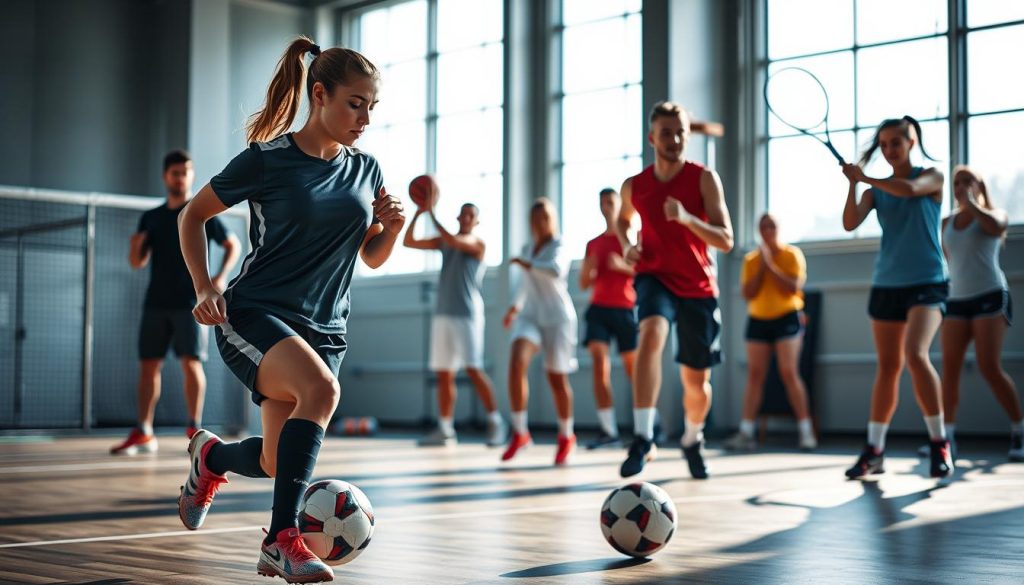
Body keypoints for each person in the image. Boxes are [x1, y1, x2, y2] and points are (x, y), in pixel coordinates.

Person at [176, 37, 405, 583]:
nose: (365, 118)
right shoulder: (266, 160)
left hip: (325, 331)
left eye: (372, 106)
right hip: (253, 316)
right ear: (319, 94)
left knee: (279, 463)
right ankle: (282, 541)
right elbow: (192, 215)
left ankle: (211, 460)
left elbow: (367, 258)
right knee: (322, 393)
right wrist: (206, 286)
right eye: (355, 103)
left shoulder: (367, 170)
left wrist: (392, 232)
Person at [616, 101, 734, 480]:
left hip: (697, 286)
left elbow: (727, 239)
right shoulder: (635, 186)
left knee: (696, 383)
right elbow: (623, 221)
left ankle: (692, 439)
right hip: (654, 276)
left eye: (681, 131)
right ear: (652, 138)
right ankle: (643, 437)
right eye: (666, 132)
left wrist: (686, 219)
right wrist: (627, 243)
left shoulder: (704, 179)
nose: (676, 138)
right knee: (650, 333)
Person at [840, 115, 953, 479]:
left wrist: (867, 177)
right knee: (888, 368)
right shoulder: (875, 190)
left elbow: (910, 189)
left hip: (928, 282)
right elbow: (849, 222)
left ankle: (940, 444)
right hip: (887, 284)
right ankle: (874, 451)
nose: (889, 150)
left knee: (916, 355)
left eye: (896, 143)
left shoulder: (932, 176)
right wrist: (853, 185)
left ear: (911, 143)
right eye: (884, 144)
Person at [110, 150, 240, 455]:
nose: (180, 177)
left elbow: (231, 245)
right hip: (156, 302)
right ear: (165, 176)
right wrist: (135, 248)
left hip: (190, 303)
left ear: (191, 176)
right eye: (175, 172)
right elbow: (136, 262)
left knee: (191, 363)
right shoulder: (151, 217)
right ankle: (144, 432)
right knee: (148, 367)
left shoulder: (199, 212)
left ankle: (195, 429)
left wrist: (217, 279)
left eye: (185, 172)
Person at [927, 165, 1022, 461]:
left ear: (980, 185)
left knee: (989, 367)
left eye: (968, 180)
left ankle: (1019, 430)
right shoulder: (945, 224)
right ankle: (947, 439)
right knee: (950, 369)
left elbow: (996, 228)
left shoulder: (996, 216)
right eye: (957, 182)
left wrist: (971, 204)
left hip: (990, 296)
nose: (961, 186)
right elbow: (948, 260)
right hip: (957, 299)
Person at [403, 198, 506, 447]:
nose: (466, 218)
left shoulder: (477, 244)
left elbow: (454, 240)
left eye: (471, 215)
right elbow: (409, 241)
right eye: (463, 214)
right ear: (458, 218)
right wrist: (419, 213)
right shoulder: (445, 241)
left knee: (473, 369)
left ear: (476, 221)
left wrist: (432, 214)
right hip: (443, 315)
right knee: (444, 374)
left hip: (467, 315)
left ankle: (496, 422)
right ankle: (445, 430)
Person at [724, 213, 816, 451]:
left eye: (772, 226)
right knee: (755, 375)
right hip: (758, 319)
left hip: (787, 318)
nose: (768, 231)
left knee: (789, 372)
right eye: (763, 227)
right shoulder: (751, 260)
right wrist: (761, 266)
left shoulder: (792, 254)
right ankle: (746, 433)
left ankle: (806, 432)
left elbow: (793, 288)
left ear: (779, 228)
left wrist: (771, 266)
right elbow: (748, 294)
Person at [501, 198, 578, 465]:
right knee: (516, 361)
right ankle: (520, 432)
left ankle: (566, 436)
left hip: (558, 319)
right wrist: (514, 308)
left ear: (552, 219)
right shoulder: (526, 248)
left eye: (545, 216)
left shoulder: (560, 244)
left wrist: (527, 264)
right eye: (536, 217)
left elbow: (556, 270)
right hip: (531, 316)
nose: (540, 221)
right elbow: (524, 285)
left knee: (557, 381)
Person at [579, 188, 637, 449]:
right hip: (599, 309)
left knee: (634, 371)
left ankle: (648, 427)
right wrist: (588, 270)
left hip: (625, 308)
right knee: (599, 368)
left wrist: (622, 266)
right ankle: (608, 431)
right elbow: (582, 284)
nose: (607, 206)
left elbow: (644, 272)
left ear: (618, 205)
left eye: (611, 202)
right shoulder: (593, 244)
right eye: (603, 202)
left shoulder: (630, 240)